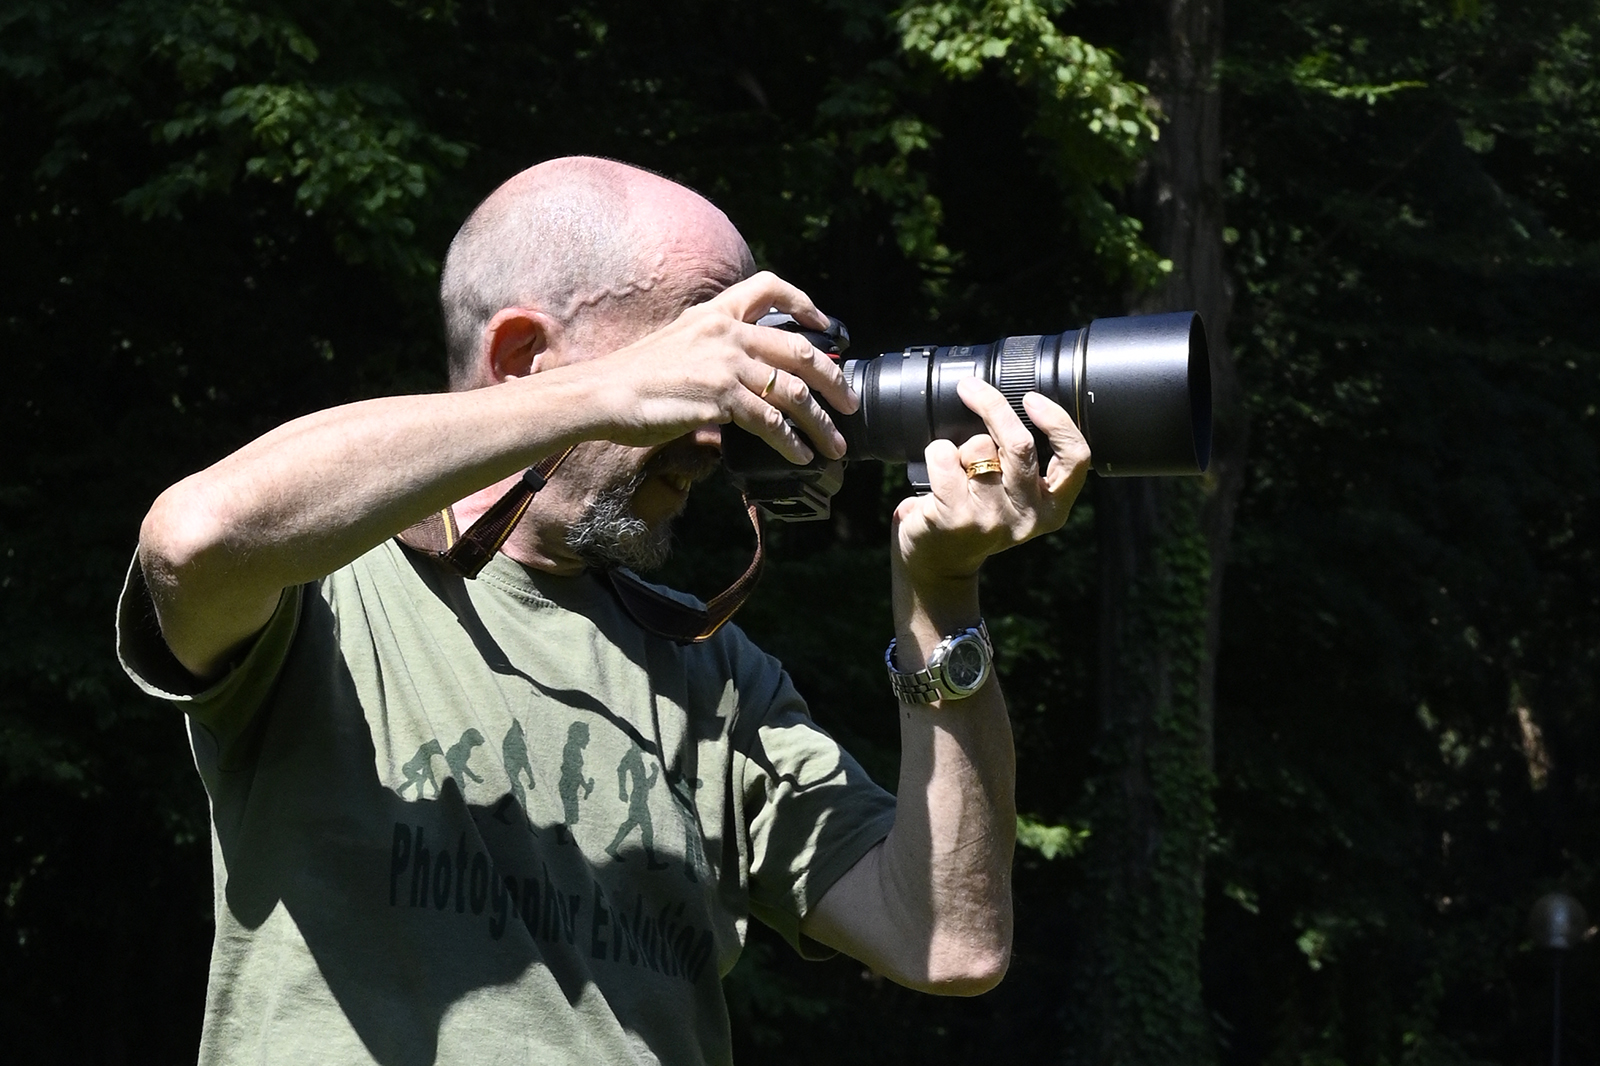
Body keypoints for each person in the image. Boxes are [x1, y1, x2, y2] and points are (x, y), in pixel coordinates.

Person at [118, 156, 1091, 1066]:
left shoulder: (718, 676)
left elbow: (948, 940)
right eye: (700, 355)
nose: (718, 429)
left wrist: (942, 594)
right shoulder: (326, 591)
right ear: (523, 357)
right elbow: (192, 538)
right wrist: (607, 395)